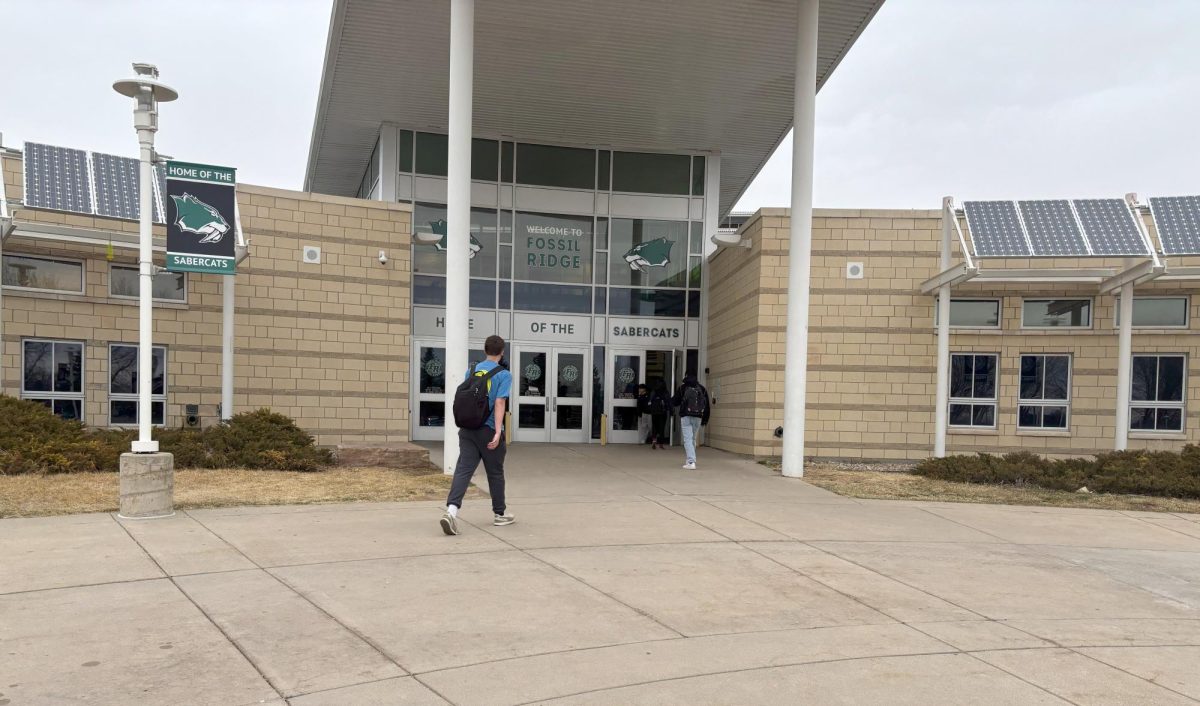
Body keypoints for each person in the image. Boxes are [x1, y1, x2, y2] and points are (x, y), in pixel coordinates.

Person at [441, 335, 514, 536]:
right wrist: (498, 432)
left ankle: (451, 512)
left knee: (463, 470)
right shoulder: (504, 374)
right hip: (488, 430)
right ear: (502, 352)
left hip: (467, 429)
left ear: (485, 350)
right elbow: (500, 402)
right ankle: (500, 514)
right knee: (495, 472)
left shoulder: (471, 370)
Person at [672, 370, 710, 470]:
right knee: (692, 438)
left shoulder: (682, 388)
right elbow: (707, 406)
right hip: (698, 416)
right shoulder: (702, 388)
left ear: (686, 376)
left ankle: (691, 461)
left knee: (688, 439)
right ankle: (691, 459)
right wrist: (705, 419)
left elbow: (675, 402)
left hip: (686, 415)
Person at [648, 379, 672, 450]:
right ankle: (661, 444)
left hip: (654, 412)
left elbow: (650, 401)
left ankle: (654, 441)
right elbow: (668, 402)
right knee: (662, 427)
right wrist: (671, 411)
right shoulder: (665, 392)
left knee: (654, 426)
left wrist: (650, 409)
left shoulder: (653, 391)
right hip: (662, 412)